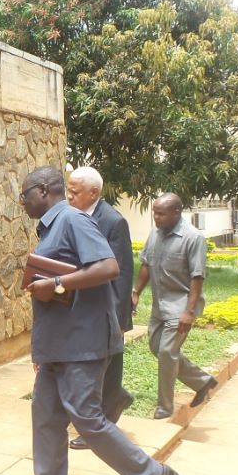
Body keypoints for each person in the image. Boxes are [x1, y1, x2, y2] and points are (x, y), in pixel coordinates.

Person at [9, 167, 179, 475]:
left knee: (87, 420)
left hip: (82, 345)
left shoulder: (73, 220)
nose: (22, 201)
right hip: (57, 347)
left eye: (25, 193)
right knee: (45, 417)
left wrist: (56, 283)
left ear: (43, 191)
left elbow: (108, 267)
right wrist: (41, 351)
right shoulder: (52, 228)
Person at [65, 167, 136, 453]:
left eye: (75, 191)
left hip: (105, 311)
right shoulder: (74, 216)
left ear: (93, 193)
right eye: (68, 190)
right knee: (93, 368)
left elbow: (121, 272)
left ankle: (101, 423)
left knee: (103, 370)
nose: (69, 196)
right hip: (83, 308)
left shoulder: (112, 221)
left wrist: (117, 320)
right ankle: (115, 401)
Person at [134, 193, 217, 420]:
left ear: (177, 212)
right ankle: (202, 381)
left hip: (180, 306)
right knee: (157, 348)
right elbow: (146, 265)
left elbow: (197, 277)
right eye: (154, 213)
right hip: (159, 306)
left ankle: (165, 406)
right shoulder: (155, 234)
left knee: (166, 352)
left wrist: (189, 312)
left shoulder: (193, 238)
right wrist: (136, 292)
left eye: (161, 214)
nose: (156, 218)